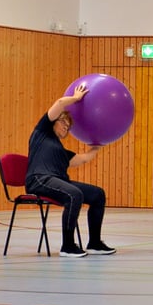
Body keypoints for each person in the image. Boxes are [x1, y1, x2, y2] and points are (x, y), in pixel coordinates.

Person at [25, 84, 115, 257]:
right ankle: (67, 246)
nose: (66, 127)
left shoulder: (60, 150)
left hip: (58, 181)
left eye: (69, 125)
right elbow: (59, 103)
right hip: (39, 179)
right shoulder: (42, 131)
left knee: (98, 194)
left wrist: (98, 143)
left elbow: (82, 158)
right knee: (74, 194)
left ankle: (94, 243)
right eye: (63, 122)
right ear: (55, 121)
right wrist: (75, 98)